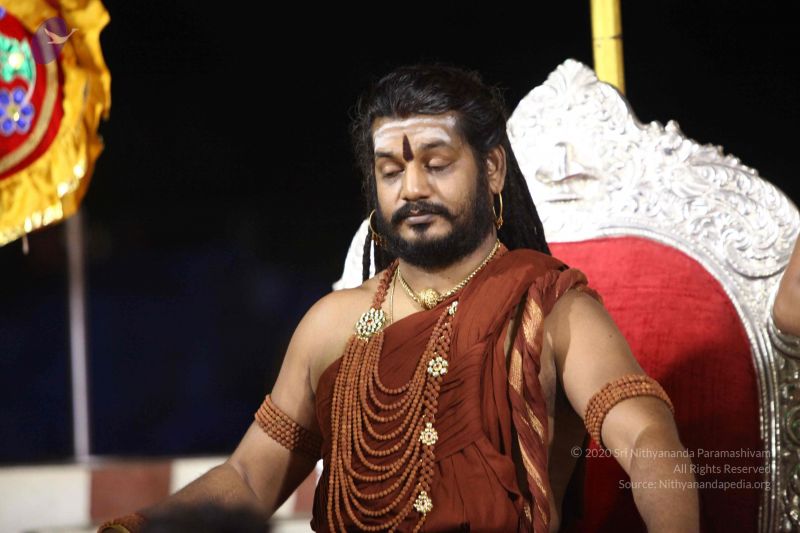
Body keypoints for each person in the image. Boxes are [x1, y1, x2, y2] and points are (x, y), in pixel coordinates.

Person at [100, 63, 710, 533]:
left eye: (437, 164)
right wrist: (135, 528)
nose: (412, 187)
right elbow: (248, 478)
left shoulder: (552, 309)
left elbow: (647, 441)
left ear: (493, 170)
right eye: (391, 171)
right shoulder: (331, 325)